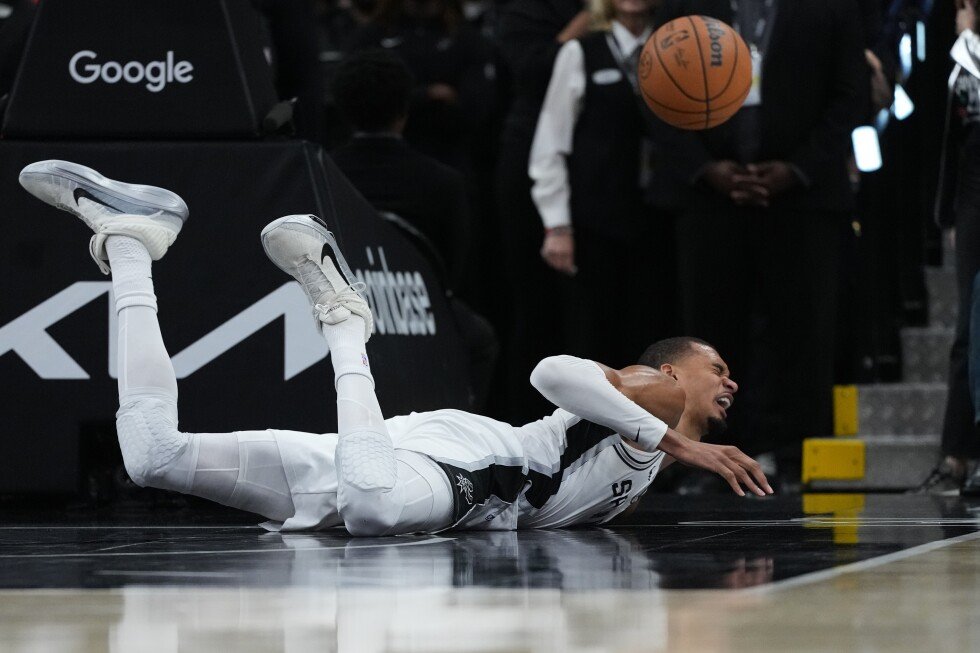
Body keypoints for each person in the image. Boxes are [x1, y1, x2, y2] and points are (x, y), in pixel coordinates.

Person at [18, 160, 771, 536]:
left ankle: (131, 240)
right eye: (718, 367)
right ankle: (345, 319)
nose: (729, 381)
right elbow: (552, 371)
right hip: (475, 463)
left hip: (396, 452)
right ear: (671, 370)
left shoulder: (660, 452)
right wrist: (680, 439)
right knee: (374, 512)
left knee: (153, 457)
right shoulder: (651, 395)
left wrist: (681, 453)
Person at [652, 0, 867, 481]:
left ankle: (799, 460)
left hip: (803, 200)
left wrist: (799, 169)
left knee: (805, 334)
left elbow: (851, 95)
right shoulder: (684, 5)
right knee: (707, 340)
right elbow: (656, 94)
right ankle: (710, 461)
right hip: (708, 202)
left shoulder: (833, 9)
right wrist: (705, 169)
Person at [529, 0, 671, 366]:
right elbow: (550, 143)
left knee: (653, 336)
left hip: (661, 217)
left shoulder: (678, 51)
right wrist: (557, 226)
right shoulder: (581, 51)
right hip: (596, 221)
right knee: (593, 338)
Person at [930, 0, 980, 495]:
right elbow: (956, 135)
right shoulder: (965, 60)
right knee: (970, 329)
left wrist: (966, 37)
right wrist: (949, 211)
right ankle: (958, 454)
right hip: (974, 199)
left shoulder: (968, 51)